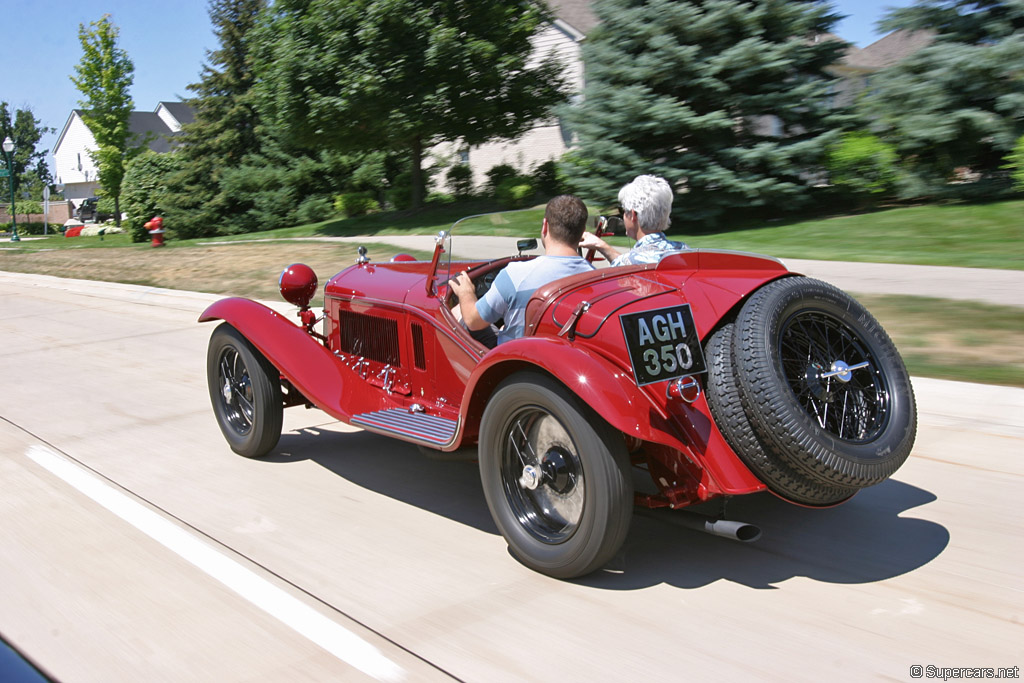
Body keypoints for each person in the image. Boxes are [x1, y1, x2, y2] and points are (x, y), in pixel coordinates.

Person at [449, 194, 594, 346]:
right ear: (582, 232)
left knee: (459, 311)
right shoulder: (594, 276)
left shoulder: (515, 274)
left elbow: (473, 321)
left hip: (516, 361)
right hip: (564, 356)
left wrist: (466, 292)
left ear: (545, 226)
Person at [579, 174, 689, 266]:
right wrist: (601, 245)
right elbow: (624, 261)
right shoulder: (684, 250)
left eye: (622, 211)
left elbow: (626, 264)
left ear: (633, 215)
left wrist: (600, 245)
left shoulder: (635, 261)